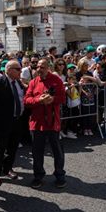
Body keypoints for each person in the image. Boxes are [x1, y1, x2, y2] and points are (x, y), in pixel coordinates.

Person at [24, 59, 67, 189]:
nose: (39, 69)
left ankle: (60, 175)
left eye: (42, 67)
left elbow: (63, 98)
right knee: (37, 151)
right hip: (37, 123)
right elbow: (26, 100)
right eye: (37, 67)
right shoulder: (33, 82)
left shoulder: (56, 80)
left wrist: (52, 99)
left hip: (52, 122)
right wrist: (39, 100)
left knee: (57, 151)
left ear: (48, 67)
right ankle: (38, 176)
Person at [0, 60, 28, 182]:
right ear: (9, 69)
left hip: (17, 120)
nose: (20, 72)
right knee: (0, 148)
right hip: (2, 122)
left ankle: (7, 168)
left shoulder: (18, 83)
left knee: (12, 147)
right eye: (18, 69)